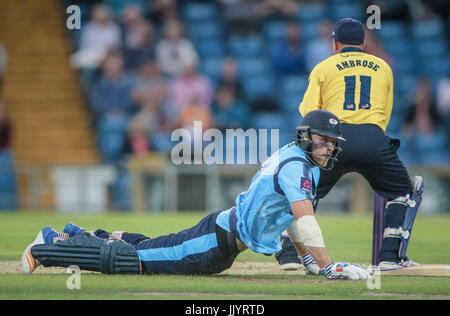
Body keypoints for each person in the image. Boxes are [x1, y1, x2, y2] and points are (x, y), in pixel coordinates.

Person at [21, 110, 370, 281]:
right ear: (308, 136)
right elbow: (304, 217)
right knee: (132, 262)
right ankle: (48, 246)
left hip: (219, 243)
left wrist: (307, 259)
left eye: (332, 143)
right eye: (324, 140)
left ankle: (79, 234)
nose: (328, 147)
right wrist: (328, 267)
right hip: (215, 241)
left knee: (145, 249)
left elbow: (290, 216)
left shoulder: (299, 161)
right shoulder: (297, 166)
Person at [276, 18, 424, 271]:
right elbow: (385, 112)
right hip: (372, 137)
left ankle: (290, 255)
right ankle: (389, 257)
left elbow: (309, 112)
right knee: (404, 191)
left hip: (333, 139)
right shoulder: (383, 66)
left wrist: (317, 144)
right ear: (364, 43)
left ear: (334, 43)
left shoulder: (323, 67)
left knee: (303, 192)